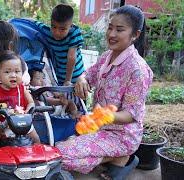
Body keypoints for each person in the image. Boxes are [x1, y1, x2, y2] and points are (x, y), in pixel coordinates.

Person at [56, 5, 153, 180]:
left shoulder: (138, 70)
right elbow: (88, 75)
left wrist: (104, 115)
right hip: (97, 127)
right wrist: (82, 80)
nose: (111, 34)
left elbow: (131, 115)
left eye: (119, 30)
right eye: (110, 27)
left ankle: (121, 156)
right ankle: (114, 160)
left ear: (135, 35)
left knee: (59, 156)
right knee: (61, 145)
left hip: (121, 135)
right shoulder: (107, 56)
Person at [0, 51, 40, 151]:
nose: (13, 75)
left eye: (17, 71)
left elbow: (31, 102)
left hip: (22, 122)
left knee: (36, 138)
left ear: (22, 73)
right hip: (3, 124)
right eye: (7, 72)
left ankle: (37, 158)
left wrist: (30, 109)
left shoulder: (22, 88)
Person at [33, 4, 85, 85]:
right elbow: (32, 22)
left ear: (71, 26)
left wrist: (67, 81)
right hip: (58, 77)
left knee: (79, 96)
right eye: (53, 27)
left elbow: (71, 57)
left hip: (77, 77)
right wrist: (15, 20)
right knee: (62, 97)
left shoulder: (74, 32)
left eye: (62, 29)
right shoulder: (46, 31)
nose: (57, 32)